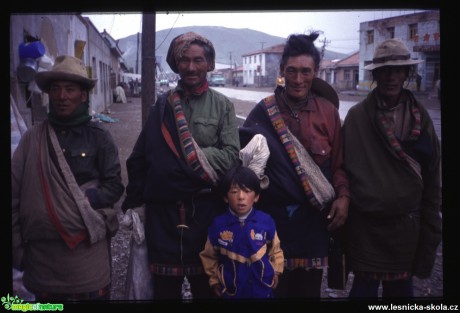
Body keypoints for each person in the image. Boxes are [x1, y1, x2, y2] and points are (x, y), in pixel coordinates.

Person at [121, 32, 241, 300]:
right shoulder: (161, 107)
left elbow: (232, 155)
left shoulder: (222, 106)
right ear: (176, 65)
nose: (191, 67)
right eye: (184, 60)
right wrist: (135, 202)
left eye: (198, 60)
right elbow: (141, 157)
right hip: (164, 214)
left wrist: (182, 164)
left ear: (209, 64)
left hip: (207, 212)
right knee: (164, 290)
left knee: (207, 288)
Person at [239, 32, 350, 299]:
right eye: (291, 71)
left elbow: (339, 165)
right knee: (272, 290)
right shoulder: (263, 112)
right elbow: (245, 169)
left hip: (314, 223)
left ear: (316, 71)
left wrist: (343, 197)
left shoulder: (328, 112)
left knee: (308, 293)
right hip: (271, 222)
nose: (298, 79)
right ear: (281, 71)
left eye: (305, 71)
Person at [11, 55, 124, 301]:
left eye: (70, 89)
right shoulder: (32, 139)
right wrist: (17, 250)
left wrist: (83, 202)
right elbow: (13, 195)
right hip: (42, 263)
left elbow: (115, 186)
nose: (62, 96)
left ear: (83, 95)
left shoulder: (99, 137)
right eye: (55, 89)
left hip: (86, 261)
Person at [342, 38, 442, 298]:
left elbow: (432, 176)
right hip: (367, 230)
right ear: (376, 74)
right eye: (385, 71)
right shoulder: (357, 118)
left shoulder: (421, 116)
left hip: (406, 231)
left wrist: (431, 225)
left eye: (398, 70)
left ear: (407, 73)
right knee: (362, 292)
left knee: (400, 296)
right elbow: (342, 168)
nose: (391, 77)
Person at [200, 165, 284, 299]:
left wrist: (276, 272)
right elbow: (209, 256)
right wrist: (214, 281)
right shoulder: (218, 224)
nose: (241, 197)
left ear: (256, 197)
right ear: (225, 197)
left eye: (247, 191)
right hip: (232, 292)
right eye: (234, 192)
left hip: (261, 290)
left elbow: (276, 250)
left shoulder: (265, 221)